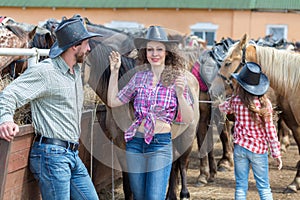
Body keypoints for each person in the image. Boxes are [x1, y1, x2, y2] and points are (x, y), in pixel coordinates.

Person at [0, 16, 102, 200]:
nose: (89, 49)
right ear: (74, 46)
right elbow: (9, 94)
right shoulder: (46, 72)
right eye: (86, 44)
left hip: (71, 153)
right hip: (52, 156)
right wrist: (6, 119)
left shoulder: (75, 72)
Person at [107, 25, 194, 200]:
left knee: (154, 197)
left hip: (160, 145)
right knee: (139, 196)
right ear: (145, 52)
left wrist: (180, 94)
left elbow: (188, 117)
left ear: (167, 52)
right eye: (150, 49)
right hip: (135, 144)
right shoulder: (139, 77)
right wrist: (115, 72)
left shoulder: (177, 78)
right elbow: (113, 101)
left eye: (159, 49)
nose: (154, 53)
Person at [217, 62, 283, 200]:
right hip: (259, 150)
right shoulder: (265, 105)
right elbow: (271, 130)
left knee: (241, 186)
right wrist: (276, 153)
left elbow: (224, 108)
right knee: (264, 187)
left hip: (240, 148)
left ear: (241, 84)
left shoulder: (235, 100)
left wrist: (219, 104)